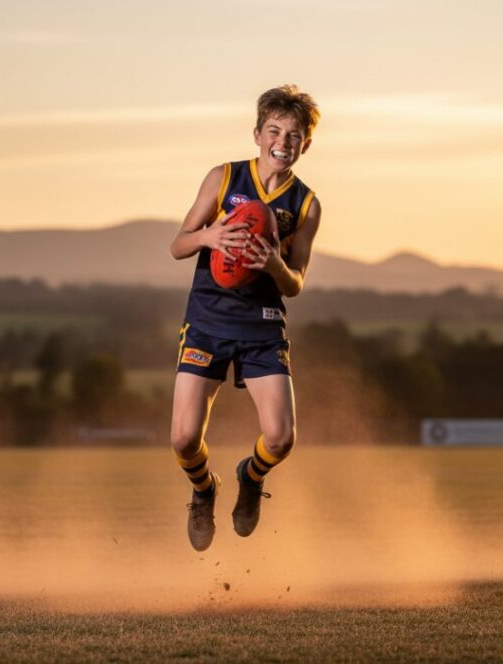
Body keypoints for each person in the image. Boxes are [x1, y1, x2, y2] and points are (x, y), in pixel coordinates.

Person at [168, 84, 321, 551]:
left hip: (262, 325)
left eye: (294, 135)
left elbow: (295, 282)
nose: (283, 141)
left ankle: (249, 477)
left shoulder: (306, 205)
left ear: (306, 145)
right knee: (183, 439)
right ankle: (204, 491)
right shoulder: (223, 177)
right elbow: (177, 245)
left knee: (280, 437)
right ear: (257, 134)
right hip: (209, 321)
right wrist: (209, 237)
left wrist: (276, 264)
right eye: (274, 130)